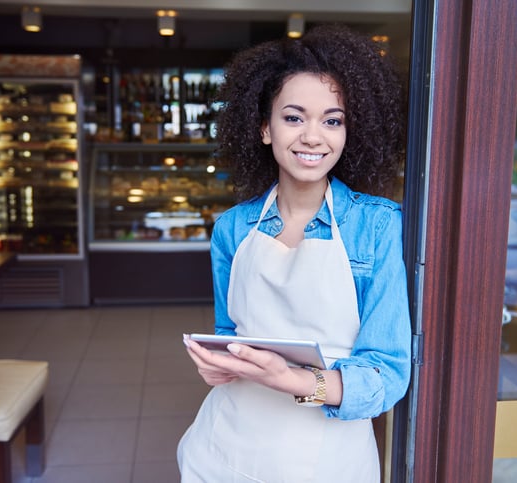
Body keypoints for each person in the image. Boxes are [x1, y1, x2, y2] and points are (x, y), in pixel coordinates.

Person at [178, 23, 412, 482]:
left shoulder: (377, 226)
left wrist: (297, 382)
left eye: (332, 120)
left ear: (349, 132)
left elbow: (387, 373)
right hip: (225, 447)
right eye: (293, 117)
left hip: (326, 457)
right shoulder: (232, 228)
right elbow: (231, 333)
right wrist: (218, 365)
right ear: (265, 128)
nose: (312, 136)